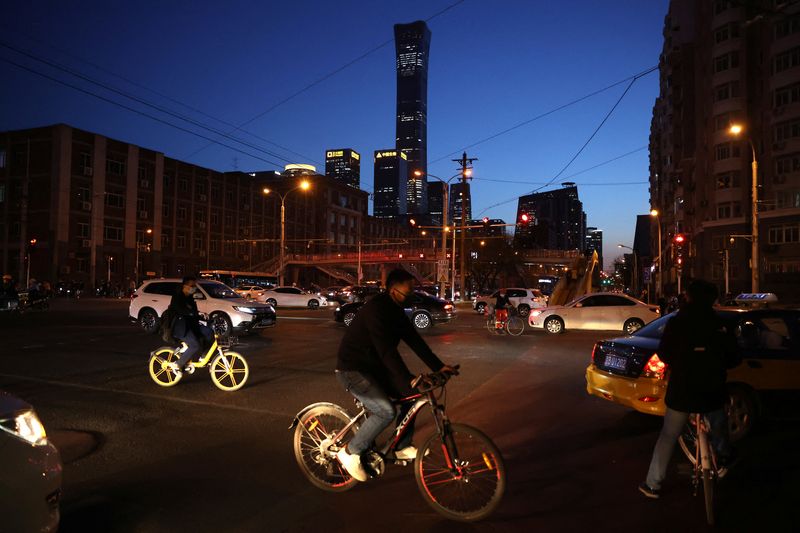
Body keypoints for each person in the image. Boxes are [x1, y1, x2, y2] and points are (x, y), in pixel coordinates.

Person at [335, 269, 456, 482]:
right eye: (407, 291)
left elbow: (415, 341)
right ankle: (350, 452)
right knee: (385, 411)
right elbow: (386, 352)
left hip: (375, 368)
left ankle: (401, 446)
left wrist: (440, 367)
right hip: (353, 369)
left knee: (415, 395)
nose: (411, 295)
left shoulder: (397, 311)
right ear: (393, 290)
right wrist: (407, 377)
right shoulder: (376, 310)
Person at [639, 279, 740, 499]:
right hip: (713, 390)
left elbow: (664, 354)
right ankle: (723, 459)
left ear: (689, 297)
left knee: (668, 435)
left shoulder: (677, 323)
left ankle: (652, 484)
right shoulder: (720, 324)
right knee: (719, 423)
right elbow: (734, 358)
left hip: (682, 392)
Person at [167, 276, 213, 375]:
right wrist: (192, 313)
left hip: (191, 325)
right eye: (192, 285)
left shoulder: (190, 298)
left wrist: (203, 317)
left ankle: (204, 356)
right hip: (180, 327)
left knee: (209, 332)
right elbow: (181, 310)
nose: (194, 287)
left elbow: (194, 312)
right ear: (185, 286)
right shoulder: (177, 296)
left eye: (195, 285)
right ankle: (178, 364)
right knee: (195, 345)